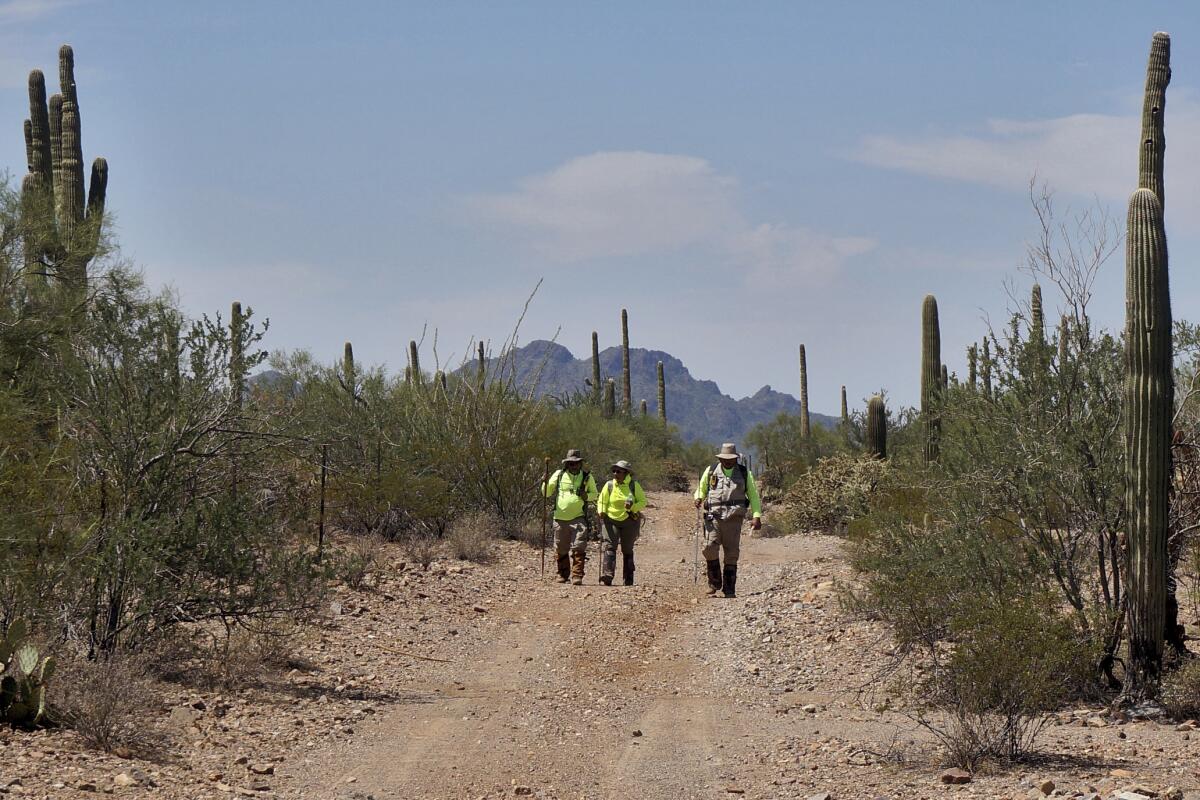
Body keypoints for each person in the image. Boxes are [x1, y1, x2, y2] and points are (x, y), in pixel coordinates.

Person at [694, 442, 762, 598]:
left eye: (731, 459)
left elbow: (753, 496)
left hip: (734, 519)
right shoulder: (711, 471)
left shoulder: (745, 473)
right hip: (714, 516)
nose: (727, 461)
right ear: (720, 459)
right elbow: (701, 489)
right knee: (709, 547)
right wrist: (698, 498)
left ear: (736, 459)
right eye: (725, 459)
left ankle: (729, 589)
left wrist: (756, 516)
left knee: (731, 553)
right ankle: (714, 582)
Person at [541, 449, 598, 585]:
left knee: (579, 546)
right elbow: (546, 493)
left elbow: (595, 494)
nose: (574, 466)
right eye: (571, 464)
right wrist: (545, 482)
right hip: (560, 518)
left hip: (578, 517)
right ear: (566, 464)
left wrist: (586, 496)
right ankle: (563, 574)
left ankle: (577, 575)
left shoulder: (587, 477)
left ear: (580, 463)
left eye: (576, 463)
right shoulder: (559, 475)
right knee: (561, 547)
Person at [595, 460, 647, 586]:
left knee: (627, 549)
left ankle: (628, 579)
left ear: (626, 473)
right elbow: (602, 500)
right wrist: (601, 511)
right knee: (610, 546)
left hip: (629, 521)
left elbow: (643, 502)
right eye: (614, 471)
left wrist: (632, 507)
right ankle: (608, 575)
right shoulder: (609, 485)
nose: (615, 474)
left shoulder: (634, 486)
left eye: (619, 471)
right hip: (610, 520)